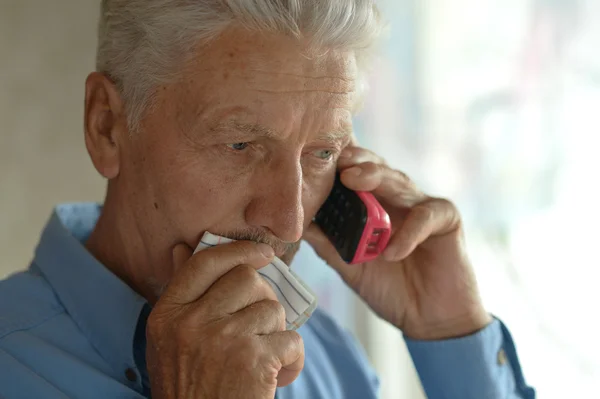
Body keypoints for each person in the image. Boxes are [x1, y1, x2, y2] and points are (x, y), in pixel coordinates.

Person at [0, 1, 536, 398]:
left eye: (321, 153)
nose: (288, 219)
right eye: (239, 144)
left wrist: (451, 331)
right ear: (107, 126)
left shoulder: (323, 353)